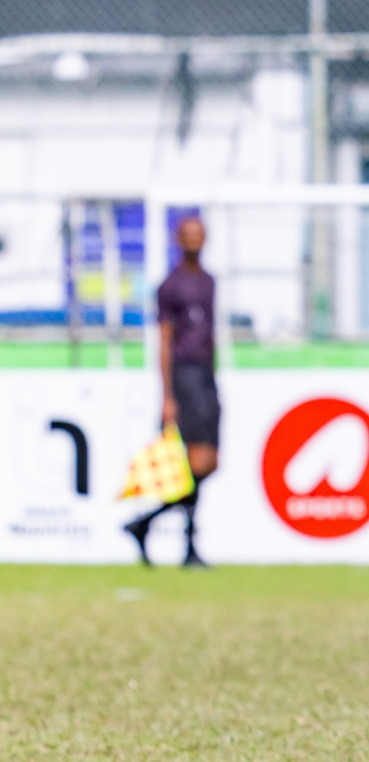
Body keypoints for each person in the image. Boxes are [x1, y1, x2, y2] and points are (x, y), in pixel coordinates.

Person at [124, 214, 219, 568]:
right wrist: (168, 395)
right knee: (194, 461)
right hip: (184, 376)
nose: (195, 239)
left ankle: (144, 523)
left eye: (200, 233)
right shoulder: (170, 286)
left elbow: (210, 336)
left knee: (210, 464)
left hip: (206, 377)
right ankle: (188, 546)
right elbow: (164, 341)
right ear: (179, 239)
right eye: (188, 234)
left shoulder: (209, 281)